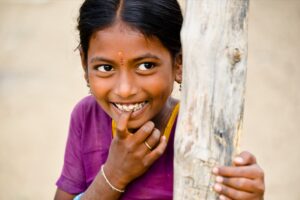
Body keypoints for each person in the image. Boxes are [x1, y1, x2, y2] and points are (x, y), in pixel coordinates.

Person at [54, 0, 265, 199]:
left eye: (146, 66)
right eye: (106, 68)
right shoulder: (87, 116)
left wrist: (247, 193)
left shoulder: (201, 130)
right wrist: (113, 175)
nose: (125, 90)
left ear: (179, 63)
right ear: (84, 64)